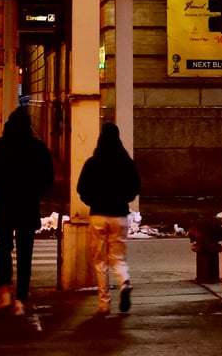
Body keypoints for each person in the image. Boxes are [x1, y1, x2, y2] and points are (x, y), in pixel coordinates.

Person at [0, 106, 55, 316]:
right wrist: (34, 192)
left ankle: (5, 290)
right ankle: (21, 300)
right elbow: (47, 177)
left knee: (3, 248)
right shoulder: (37, 147)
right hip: (27, 205)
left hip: (4, 203)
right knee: (25, 254)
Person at [76, 121, 141, 315]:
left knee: (100, 261)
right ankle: (124, 282)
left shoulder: (93, 162)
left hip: (98, 215)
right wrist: (125, 199)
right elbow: (135, 187)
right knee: (117, 257)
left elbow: (81, 188)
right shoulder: (126, 162)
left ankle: (104, 303)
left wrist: (92, 201)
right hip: (119, 214)